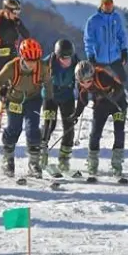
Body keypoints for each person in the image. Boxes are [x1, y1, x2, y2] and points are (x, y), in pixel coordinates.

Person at [0, 37, 53, 178]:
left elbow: (48, 84)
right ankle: (8, 159)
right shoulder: (11, 67)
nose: (32, 64)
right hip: (14, 100)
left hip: (33, 99)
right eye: (29, 61)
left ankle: (34, 162)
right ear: (22, 57)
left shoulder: (42, 67)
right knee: (14, 128)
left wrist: (49, 101)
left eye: (35, 60)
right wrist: (0, 91)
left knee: (33, 129)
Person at [71, 59, 128, 180]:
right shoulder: (80, 83)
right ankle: (92, 164)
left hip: (118, 104)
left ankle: (117, 164)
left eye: (88, 81)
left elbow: (120, 88)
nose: (85, 84)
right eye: (81, 82)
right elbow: (82, 101)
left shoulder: (102, 75)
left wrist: (113, 97)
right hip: (101, 105)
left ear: (92, 76)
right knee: (95, 134)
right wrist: (76, 115)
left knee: (119, 132)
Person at [41, 38, 79, 175]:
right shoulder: (47, 62)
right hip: (50, 96)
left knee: (69, 128)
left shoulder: (77, 63)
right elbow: (34, 74)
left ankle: (64, 159)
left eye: (69, 57)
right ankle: (41, 154)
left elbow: (85, 78)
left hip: (67, 97)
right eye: (63, 58)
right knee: (49, 124)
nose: (67, 61)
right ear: (57, 56)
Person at [83, 0, 128, 82]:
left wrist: (124, 51)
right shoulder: (93, 21)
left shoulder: (116, 18)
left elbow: (121, 35)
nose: (109, 8)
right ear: (101, 6)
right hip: (99, 59)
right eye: (106, 5)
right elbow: (89, 40)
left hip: (114, 57)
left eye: (110, 5)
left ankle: (120, 95)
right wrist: (90, 56)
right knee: (100, 82)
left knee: (123, 79)